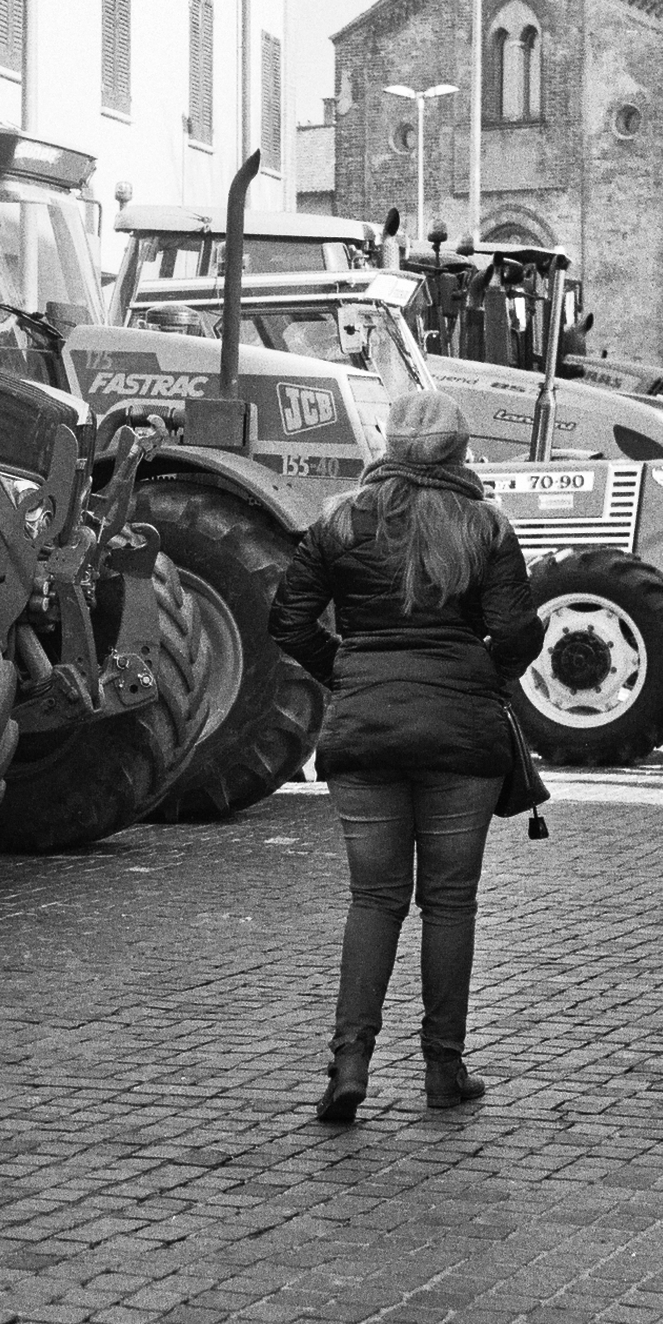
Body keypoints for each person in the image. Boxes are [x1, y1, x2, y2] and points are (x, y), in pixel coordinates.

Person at [268, 390, 537, 1123]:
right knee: (449, 903)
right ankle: (443, 1072)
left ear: (389, 445)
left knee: (373, 899)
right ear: (458, 451)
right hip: (460, 738)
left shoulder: (339, 520)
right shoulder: (485, 524)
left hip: (364, 732)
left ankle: (348, 1063)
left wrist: (347, 671)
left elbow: (286, 619)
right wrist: (474, 671)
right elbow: (518, 635)